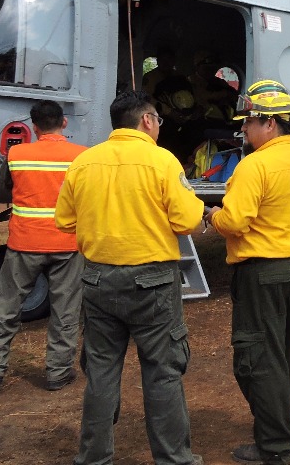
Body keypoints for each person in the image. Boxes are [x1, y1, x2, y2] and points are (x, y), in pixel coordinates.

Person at [55, 90, 204, 465]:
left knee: (101, 373)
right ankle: (174, 459)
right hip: (153, 283)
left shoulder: (84, 162)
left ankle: (93, 458)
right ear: (148, 121)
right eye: (158, 122)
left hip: (97, 280)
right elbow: (187, 220)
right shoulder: (162, 161)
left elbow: (64, 220)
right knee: (163, 372)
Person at [205, 80, 290, 465]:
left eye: (248, 123)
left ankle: (275, 445)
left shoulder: (255, 165)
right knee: (287, 349)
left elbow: (235, 221)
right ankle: (286, 417)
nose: (243, 129)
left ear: (269, 124)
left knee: (258, 357)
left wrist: (213, 216)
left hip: (263, 272)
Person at [0, 100, 88, 394]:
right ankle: (57, 372)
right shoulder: (80, 157)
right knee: (65, 311)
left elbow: (6, 185)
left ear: (33, 126)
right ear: (63, 123)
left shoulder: (17, 154)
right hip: (66, 243)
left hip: (24, 242)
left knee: (5, 308)